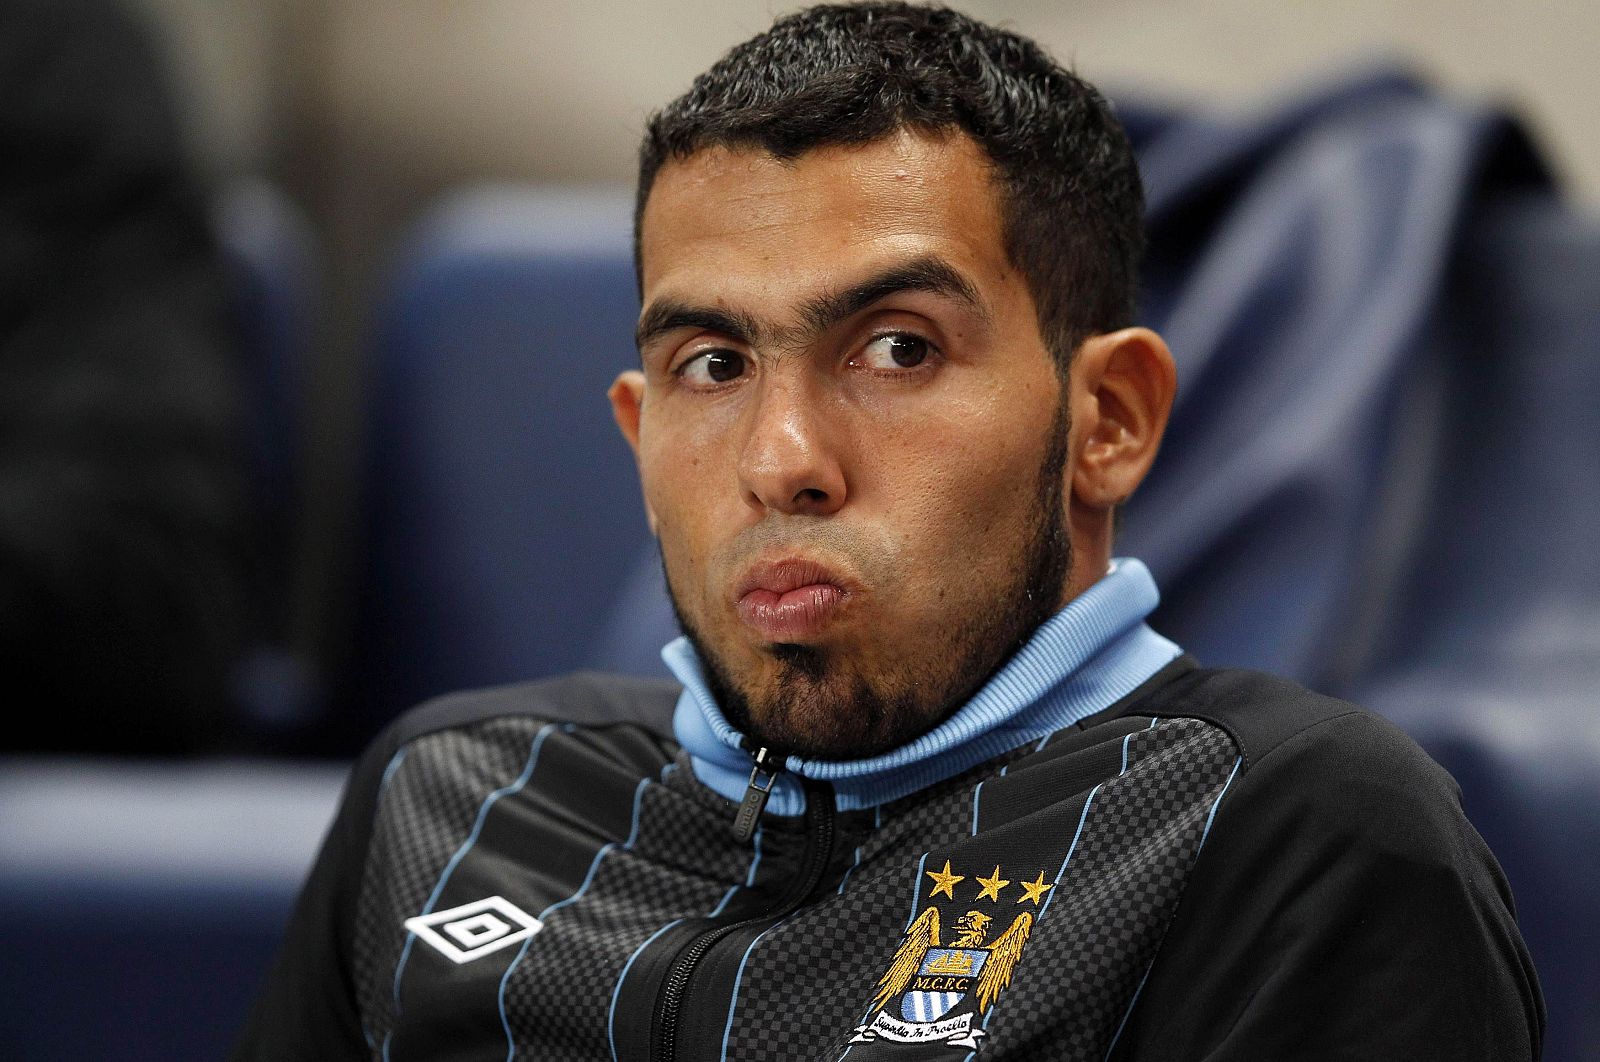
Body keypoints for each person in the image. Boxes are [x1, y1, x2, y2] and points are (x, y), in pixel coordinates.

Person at [234, 4, 1543, 1059]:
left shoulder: (1303, 843)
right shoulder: (443, 800)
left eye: (898, 348)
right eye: (710, 364)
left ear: (1111, 419)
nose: (782, 460)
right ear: (637, 439)